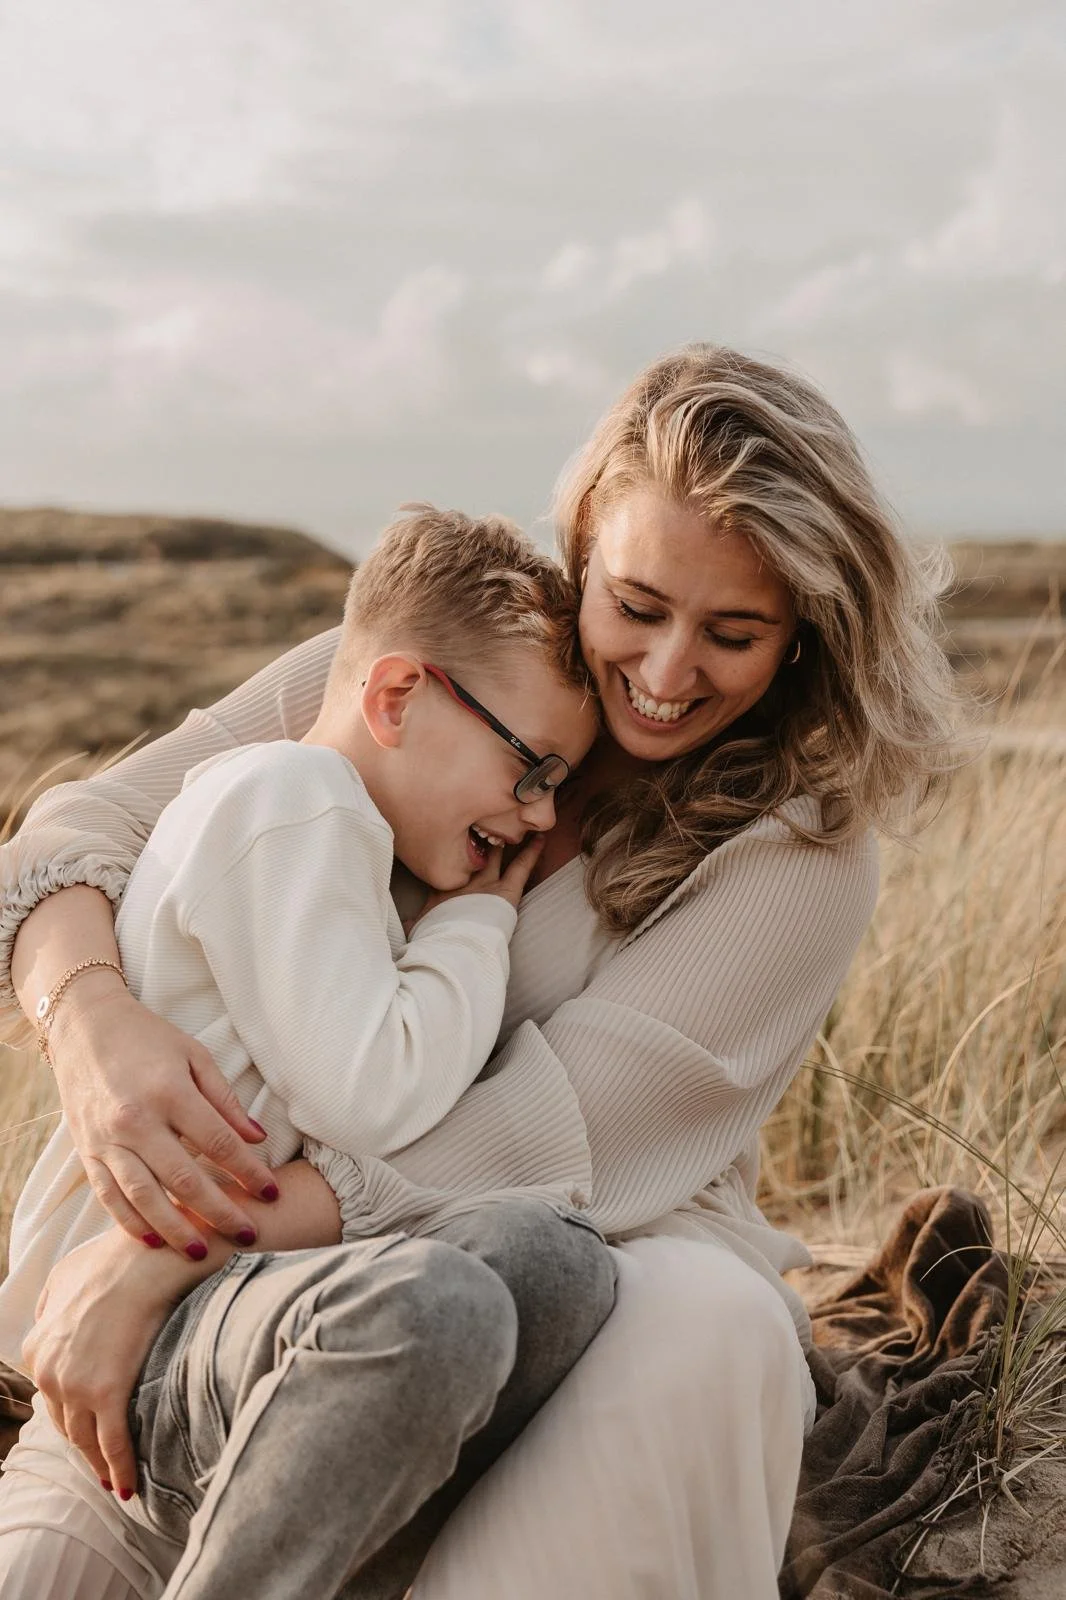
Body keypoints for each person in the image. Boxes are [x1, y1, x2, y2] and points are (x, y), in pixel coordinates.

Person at [0, 344, 961, 1600]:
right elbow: (79, 828)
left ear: (801, 641)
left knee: (696, 1324)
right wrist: (91, 1020)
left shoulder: (800, 850)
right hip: (247, 1292)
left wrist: (164, 1251)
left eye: (731, 634)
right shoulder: (430, 673)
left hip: (584, 1264)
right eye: (636, 605)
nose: (667, 676)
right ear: (582, 551)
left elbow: (531, 1136)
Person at [0, 506, 613, 1591]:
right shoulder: (295, 804)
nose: (537, 816)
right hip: (155, 1326)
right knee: (444, 1305)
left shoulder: (329, 830)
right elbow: (375, 1094)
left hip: (230, 1304)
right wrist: (474, 926)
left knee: (554, 1260)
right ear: (394, 696)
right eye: (531, 769)